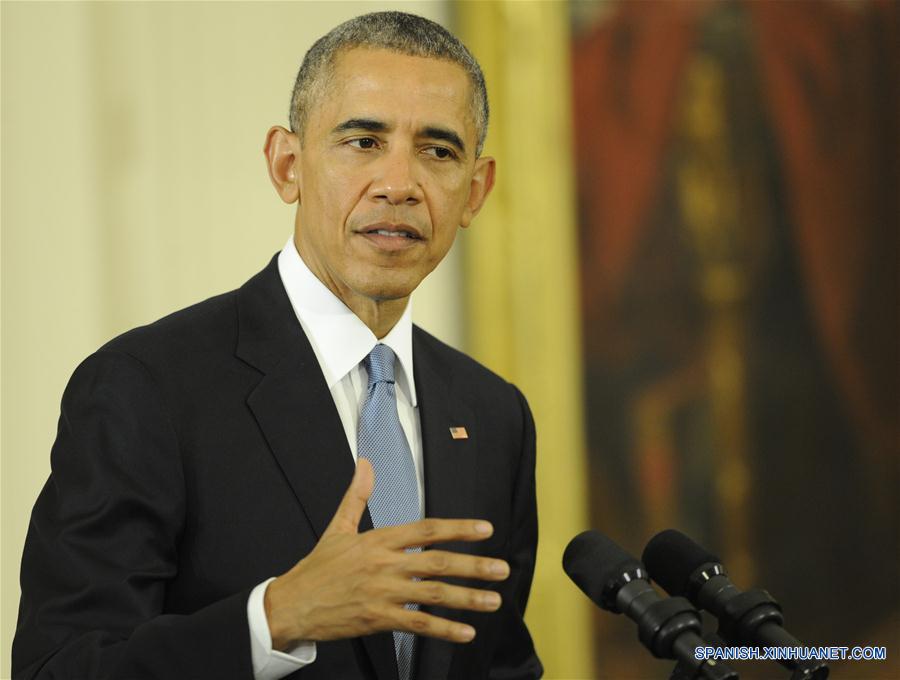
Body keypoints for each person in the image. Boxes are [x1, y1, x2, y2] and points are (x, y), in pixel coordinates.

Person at [12, 11, 542, 680]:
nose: (400, 183)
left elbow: (500, 666)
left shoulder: (494, 414)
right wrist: (277, 617)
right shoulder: (147, 387)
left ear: (476, 189)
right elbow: (56, 669)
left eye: (438, 151)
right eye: (363, 141)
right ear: (287, 165)